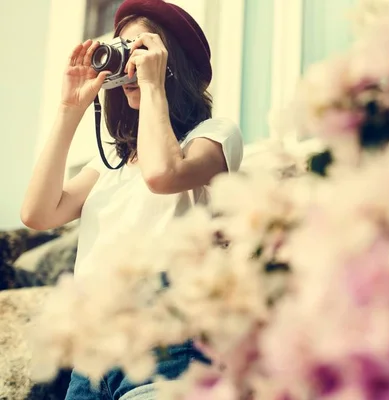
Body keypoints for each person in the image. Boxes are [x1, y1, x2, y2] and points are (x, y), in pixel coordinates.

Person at [20, 0, 243, 398]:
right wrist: (70, 107)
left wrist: (154, 84)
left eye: (140, 50)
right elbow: (37, 213)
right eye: (122, 50)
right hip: (93, 357)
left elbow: (163, 174)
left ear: (172, 61)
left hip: (169, 347)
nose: (128, 65)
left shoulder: (214, 136)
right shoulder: (110, 166)